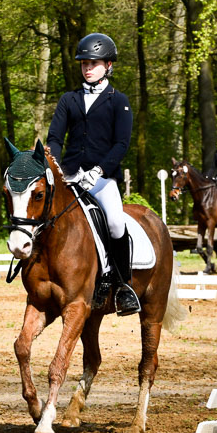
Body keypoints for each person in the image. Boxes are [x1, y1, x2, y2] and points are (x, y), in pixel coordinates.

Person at [46, 32, 140, 316]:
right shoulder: (69, 99)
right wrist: (57, 169)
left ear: (108, 65)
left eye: (94, 63)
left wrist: (99, 171)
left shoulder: (118, 100)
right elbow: (54, 138)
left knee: (113, 222)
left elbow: (121, 143)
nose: (88, 68)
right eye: (84, 63)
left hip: (103, 178)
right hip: (70, 176)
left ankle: (123, 286)